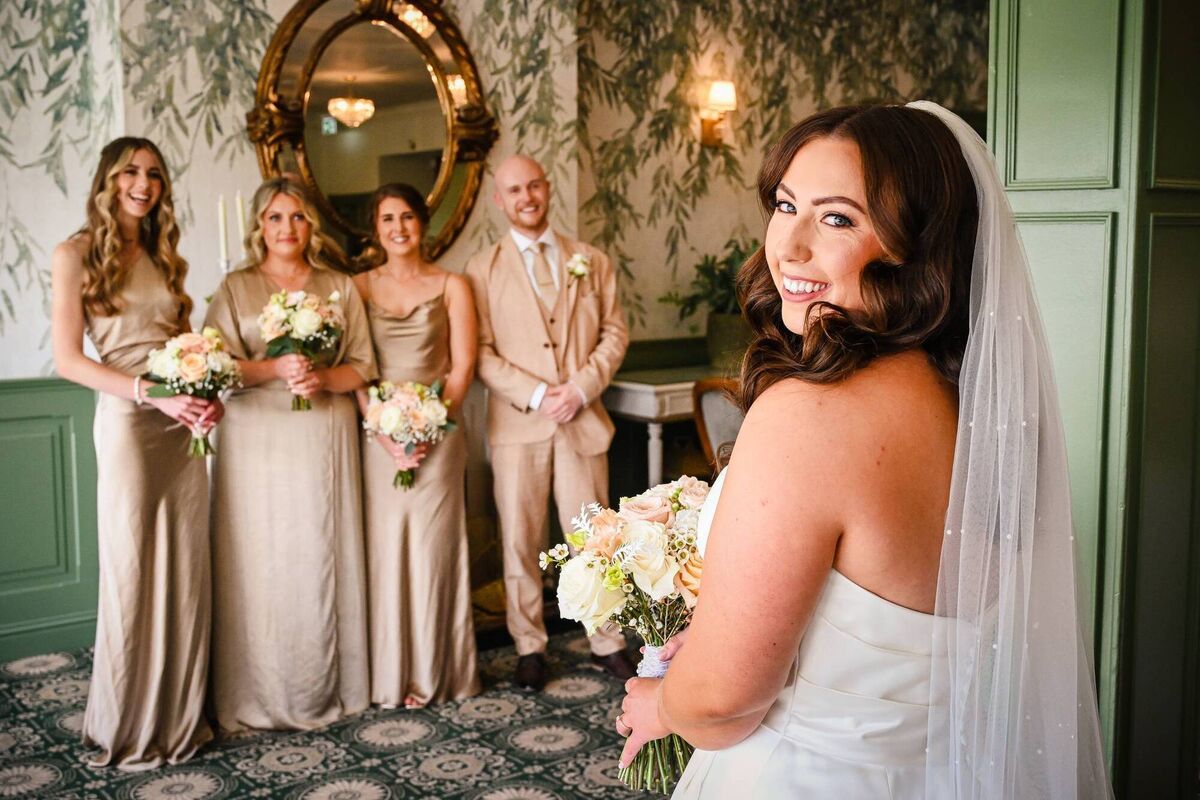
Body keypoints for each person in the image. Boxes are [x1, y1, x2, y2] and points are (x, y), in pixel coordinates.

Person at [616, 103, 1113, 798]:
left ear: (918, 243)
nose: (786, 248)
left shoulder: (808, 415)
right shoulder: (985, 410)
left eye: (838, 218)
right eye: (786, 205)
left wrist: (662, 704)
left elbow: (722, 705)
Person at [50, 137, 218, 769]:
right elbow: (69, 361)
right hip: (128, 420)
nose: (143, 183)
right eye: (131, 172)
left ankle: (177, 716)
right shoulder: (74, 254)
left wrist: (207, 396)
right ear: (109, 180)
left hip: (183, 427)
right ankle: (124, 722)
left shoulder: (164, 256)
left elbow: (185, 344)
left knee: (183, 567)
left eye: (153, 174)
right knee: (132, 570)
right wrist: (151, 394)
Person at [204, 177, 377, 732]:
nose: (287, 229)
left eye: (297, 217)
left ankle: (325, 683)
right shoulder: (234, 288)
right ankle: (254, 688)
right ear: (260, 225)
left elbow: (363, 365)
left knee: (317, 557)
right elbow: (218, 367)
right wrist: (274, 368)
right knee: (261, 562)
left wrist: (322, 377)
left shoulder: (338, 285)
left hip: (323, 436)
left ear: (312, 225)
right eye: (276, 218)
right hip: (254, 445)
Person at [465, 154, 635, 690]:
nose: (526, 196)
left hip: (582, 420)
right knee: (519, 539)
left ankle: (605, 640)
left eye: (533, 185)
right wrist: (540, 394)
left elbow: (615, 332)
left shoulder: (591, 259)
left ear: (546, 187)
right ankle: (529, 645)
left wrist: (582, 387)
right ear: (500, 200)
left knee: (592, 540)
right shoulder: (481, 269)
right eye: (514, 190)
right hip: (519, 425)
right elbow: (483, 354)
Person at [352, 183, 481, 708]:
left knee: (433, 552)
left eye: (407, 217)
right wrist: (383, 430)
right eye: (387, 219)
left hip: (439, 437)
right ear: (375, 228)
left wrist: (428, 425)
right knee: (385, 553)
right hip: (377, 441)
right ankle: (390, 677)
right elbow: (358, 369)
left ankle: (436, 673)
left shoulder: (453, 284)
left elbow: (463, 365)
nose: (398, 227)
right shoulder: (356, 287)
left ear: (422, 224)